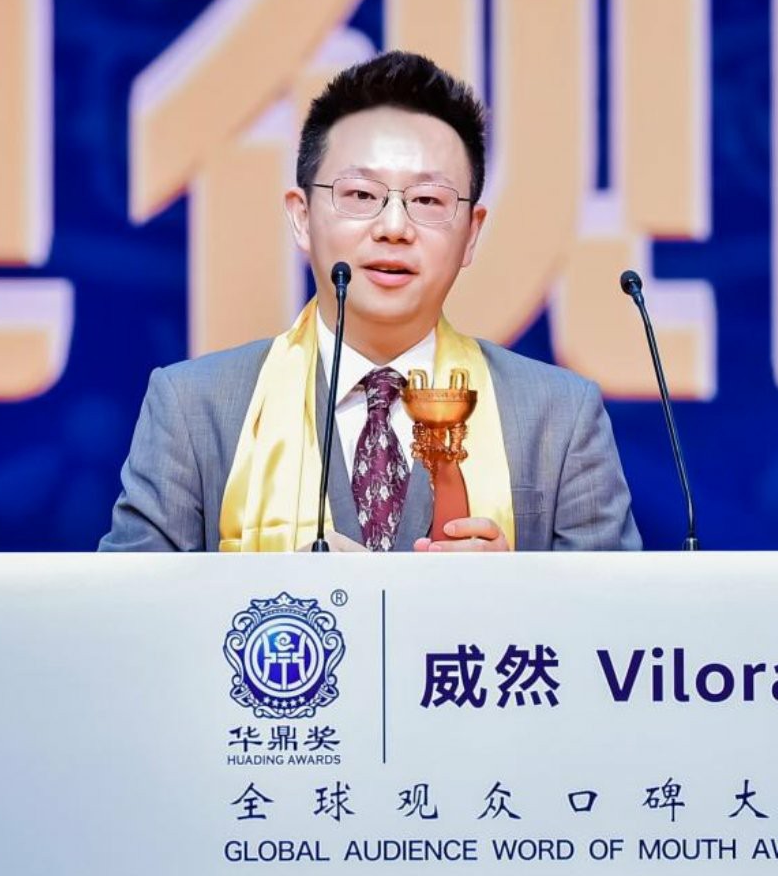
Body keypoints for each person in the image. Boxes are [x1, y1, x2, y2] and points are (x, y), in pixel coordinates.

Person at [100, 50, 641, 553]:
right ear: (301, 216)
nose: (394, 227)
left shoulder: (557, 418)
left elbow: (618, 619)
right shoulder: (194, 410)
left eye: (428, 200)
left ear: (472, 234)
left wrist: (513, 595)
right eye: (361, 195)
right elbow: (130, 613)